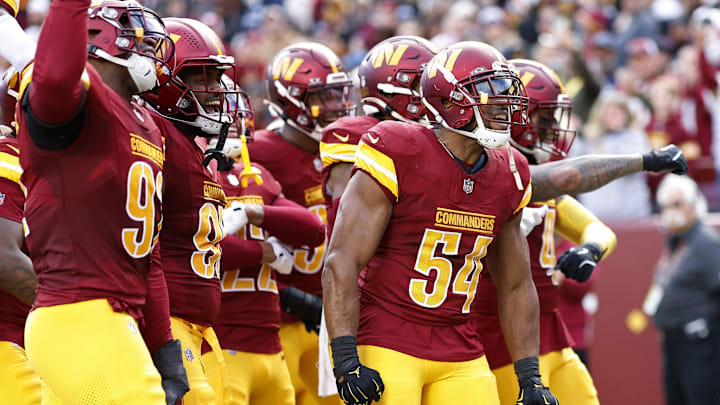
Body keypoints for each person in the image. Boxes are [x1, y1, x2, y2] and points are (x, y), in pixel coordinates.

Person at [323, 41, 558, 405]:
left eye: (506, 91)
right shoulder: (397, 146)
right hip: (389, 335)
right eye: (488, 91)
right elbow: (342, 258)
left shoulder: (510, 170)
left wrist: (530, 377)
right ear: (449, 100)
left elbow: (515, 285)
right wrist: (345, 359)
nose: (503, 103)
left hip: (460, 346)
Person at [13, 0, 186, 403]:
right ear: (99, 37)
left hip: (114, 315)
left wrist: (164, 348)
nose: (150, 49)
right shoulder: (80, 96)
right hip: (78, 314)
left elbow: (149, 254)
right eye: (137, 35)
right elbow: (55, 79)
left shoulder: (144, 122)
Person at [474, 59, 615, 405]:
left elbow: (597, 229)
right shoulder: (488, 177)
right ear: (516, 115)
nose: (553, 129)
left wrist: (591, 249)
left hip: (553, 334)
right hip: (502, 338)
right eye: (545, 118)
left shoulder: (540, 182)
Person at [247, 42, 355, 405]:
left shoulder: (347, 148)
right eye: (324, 98)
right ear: (292, 100)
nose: (337, 107)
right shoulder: (261, 150)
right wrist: (289, 296)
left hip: (329, 313)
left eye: (340, 95)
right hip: (280, 314)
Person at [140, 17, 240, 405]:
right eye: (200, 78)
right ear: (164, 79)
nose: (214, 91)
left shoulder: (190, 145)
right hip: (171, 320)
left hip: (201, 324)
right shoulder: (156, 133)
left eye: (216, 78)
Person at [203, 97, 327, 404]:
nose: (230, 125)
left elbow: (312, 229)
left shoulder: (255, 175)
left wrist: (254, 213)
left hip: (269, 344)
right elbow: (202, 247)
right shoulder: (197, 173)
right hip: (223, 338)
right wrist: (263, 252)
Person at [644, 174, 720, 404]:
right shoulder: (677, 242)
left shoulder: (705, 242)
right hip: (674, 343)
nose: (671, 212)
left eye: (677, 204)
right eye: (665, 206)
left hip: (699, 343)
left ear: (693, 205)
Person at [0, 74, 41, 405]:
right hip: (9, 340)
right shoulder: (11, 156)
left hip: (32, 339)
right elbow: (3, 259)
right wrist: (71, 307)